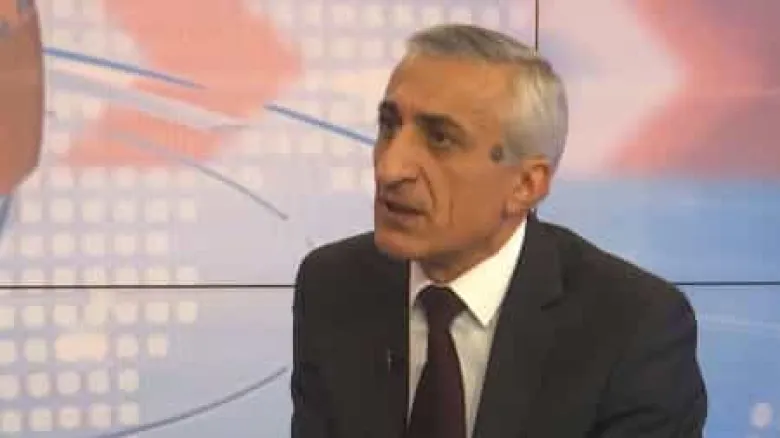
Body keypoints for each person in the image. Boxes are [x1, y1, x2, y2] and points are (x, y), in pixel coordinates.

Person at [291, 24, 707, 438]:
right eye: (389, 126)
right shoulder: (333, 287)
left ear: (525, 185)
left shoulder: (634, 330)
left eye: (440, 139)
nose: (389, 168)